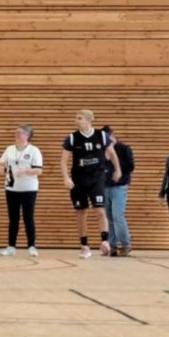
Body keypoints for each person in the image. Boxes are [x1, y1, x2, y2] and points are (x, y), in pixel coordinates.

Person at [60, 111, 120, 259]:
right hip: (78, 180)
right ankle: (84, 246)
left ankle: (105, 241)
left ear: (88, 120)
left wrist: (118, 170)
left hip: (97, 178)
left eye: (79, 118)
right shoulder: (72, 138)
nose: (76, 120)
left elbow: (112, 154)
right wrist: (66, 177)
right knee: (81, 213)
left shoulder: (102, 136)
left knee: (100, 210)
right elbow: (63, 161)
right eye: (76, 118)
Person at [0, 124, 42, 257]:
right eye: (15, 132)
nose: (16, 134)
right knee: (13, 218)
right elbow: (1, 163)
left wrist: (26, 171)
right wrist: (1, 168)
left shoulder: (34, 150)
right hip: (11, 188)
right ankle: (11, 246)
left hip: (29, 188)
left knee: (28, 217)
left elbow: (39, 170)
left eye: (19, 132)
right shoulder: (9, 149)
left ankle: (32, 246)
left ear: (26, 135)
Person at [104, 126, 135, 256]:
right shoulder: (102, 151)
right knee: (109, 217)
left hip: (119, 187)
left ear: (113, 136)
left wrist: (113, 156)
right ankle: (113, 246)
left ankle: (126, 244)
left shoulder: (124, 149)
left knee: (117, 216)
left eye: (108, 138)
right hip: (105, 187)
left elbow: (130, 166)